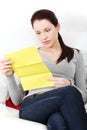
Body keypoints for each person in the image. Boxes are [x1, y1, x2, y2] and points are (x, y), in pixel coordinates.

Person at [0, 9, 87, 130]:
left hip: (63, 102)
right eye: (38, 33)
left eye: (47, 30)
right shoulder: (30, 55)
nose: (43, 37)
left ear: (57, 27)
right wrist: (9, 76)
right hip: (33, 106)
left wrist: (70, 84)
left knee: (57, 120)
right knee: (69, 92)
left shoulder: (75, 54)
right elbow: (17, 101)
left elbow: (83, 97)